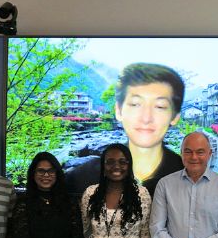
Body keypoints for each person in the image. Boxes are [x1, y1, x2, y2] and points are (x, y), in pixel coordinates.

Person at [66, 63, 184, 196]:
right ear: (119, 111)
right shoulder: (81, 179)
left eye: (160, 106)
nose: (146, 118)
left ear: (175, 116)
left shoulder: (187, 179)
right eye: (135, 104)